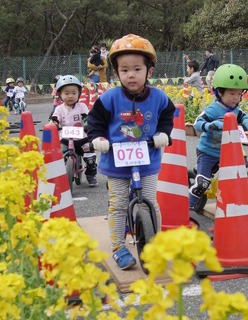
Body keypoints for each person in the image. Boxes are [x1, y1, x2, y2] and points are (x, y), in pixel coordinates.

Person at [87, 34, 175, 270]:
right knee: (117, 204)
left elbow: (168, 117)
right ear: (116, 73)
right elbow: (94, 122)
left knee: (150, 202)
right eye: (124, 70)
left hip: (148, 159)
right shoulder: (109, 98)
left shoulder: (159, 97)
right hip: (115, 160)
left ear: (150, 71)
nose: (131, 75)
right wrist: (97, 138)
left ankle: (154, 244)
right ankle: (118, 247)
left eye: (137, 69)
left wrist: (164, 134)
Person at [189, 64, 248, 209]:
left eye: (239, 94)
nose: (236, 98)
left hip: (230, 150)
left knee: (243, 167)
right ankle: (189, 206)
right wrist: (209, 125)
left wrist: (246, 125)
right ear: (219, 92)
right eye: (232, 94)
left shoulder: (236, 110)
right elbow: (197, 122)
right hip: (208, 152)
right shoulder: (213, 109)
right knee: (202, 183)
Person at [50, 75, 98, 187]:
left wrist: (87, 124)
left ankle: (91, 175)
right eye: (66, 93)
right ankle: (61, 175)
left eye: (73, 93)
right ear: (60, 95)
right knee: (59, 154)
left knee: (90, 156)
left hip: (82, 137)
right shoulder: (59, 108)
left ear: (79, 94)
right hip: (66, 139)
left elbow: (87, 117)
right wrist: (54, 124)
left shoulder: (82, 106)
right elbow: (55, 118)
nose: (70, 96)